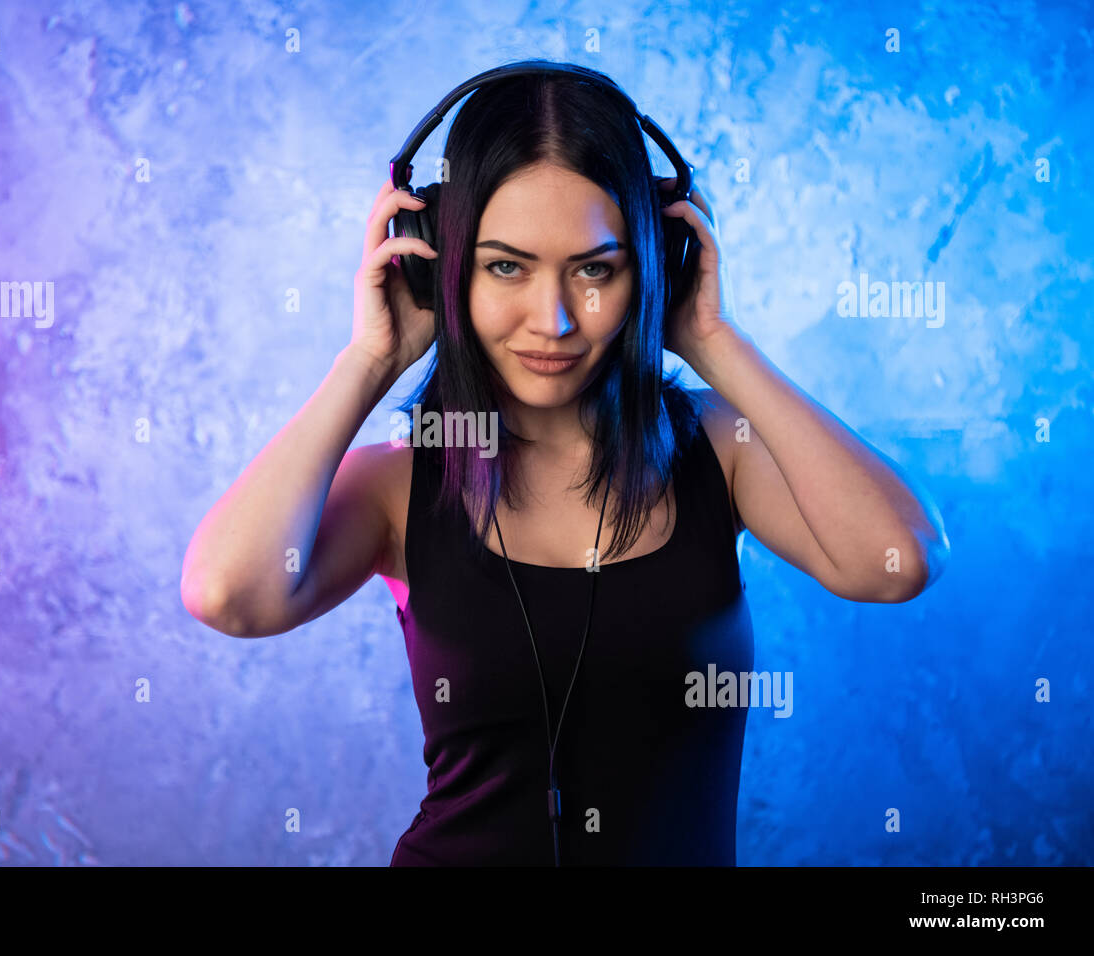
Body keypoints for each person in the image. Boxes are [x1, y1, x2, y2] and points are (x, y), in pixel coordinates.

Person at [180, 64, 950, 866]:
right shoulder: (399, 485)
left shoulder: (723, 451)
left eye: (595, 270)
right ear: (440, 269)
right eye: (504, 266)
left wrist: (717, 344)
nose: (550, 321)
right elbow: (226, 594)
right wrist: (371, 360)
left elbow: (896, 562)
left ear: (655, 266)